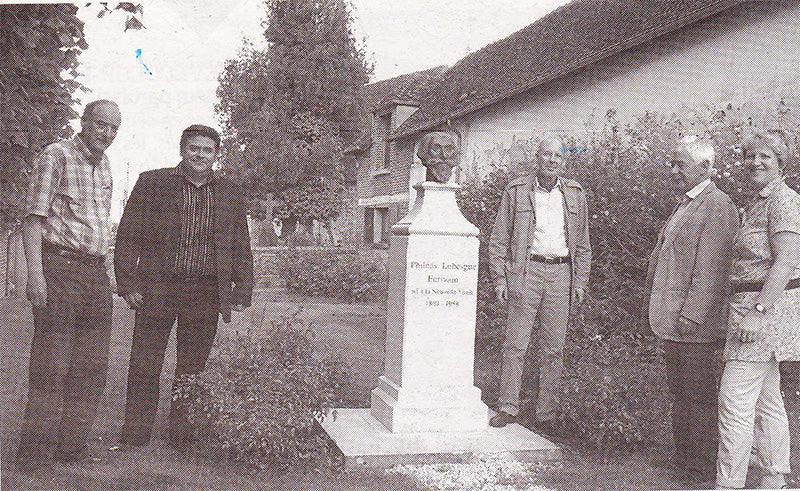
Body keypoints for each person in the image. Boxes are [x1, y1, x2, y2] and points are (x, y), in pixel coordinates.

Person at [114, 124, 253, 449]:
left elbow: (239, 242)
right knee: (146, 361)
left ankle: (181, 433)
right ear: (182, 150)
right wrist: (128, 282)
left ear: (216, 155)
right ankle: (135, 434)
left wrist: (242, 288)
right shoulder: (153, 183)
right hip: (158, 288)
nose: (200, 155)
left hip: (204, 292)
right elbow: (128, 235)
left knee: (193, 366)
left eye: (207, 150)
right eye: (194, 148)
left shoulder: (230, 192)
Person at [15, 100, 122, 471]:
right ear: (85, 122)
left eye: (113, 128)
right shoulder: (56, 155)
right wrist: (35, 274)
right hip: (58, 267)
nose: (106, 134)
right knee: (51, 364)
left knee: (91, 365)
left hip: (94, 274)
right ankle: (33, 455)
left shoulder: (105, 164)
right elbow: (33, 219)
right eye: (100, 125)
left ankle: (71, 449)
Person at [645, 136, 739, 485]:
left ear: (705, 167)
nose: (673, 170)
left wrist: (693, 314)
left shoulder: (718, 205)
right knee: (681, 391)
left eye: (680, 164)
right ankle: (684, 459)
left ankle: (701, 466)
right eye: (673, 163)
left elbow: (713, 268)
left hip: (693, 324)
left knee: (698, 394)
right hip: (673, 320)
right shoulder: (685, 203)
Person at [487, 137, 591, 430]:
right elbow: (498, 239)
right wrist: (500, 278)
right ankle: (508, 407)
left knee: (554, 348)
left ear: (564, 161)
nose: (552, 160)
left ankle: (547, 414)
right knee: (515, 345)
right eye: (547, 154)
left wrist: (579, 281)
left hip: (561, 274)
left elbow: (583, 244)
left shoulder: (575, 194)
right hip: (526, 272)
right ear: (538, 158)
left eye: (557, 156)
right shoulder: (517, 190)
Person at [716, 130, 800, 489]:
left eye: (765, 156)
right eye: (750, 156)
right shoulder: (759, 201)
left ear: (781, 163)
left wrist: (758, 311)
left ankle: (729, 484)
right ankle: (775, 477)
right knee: (767, 398)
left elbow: (786, 262)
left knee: (733, 402)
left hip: (762, 313)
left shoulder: (784, 200)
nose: (755, 163)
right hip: (751, 309)